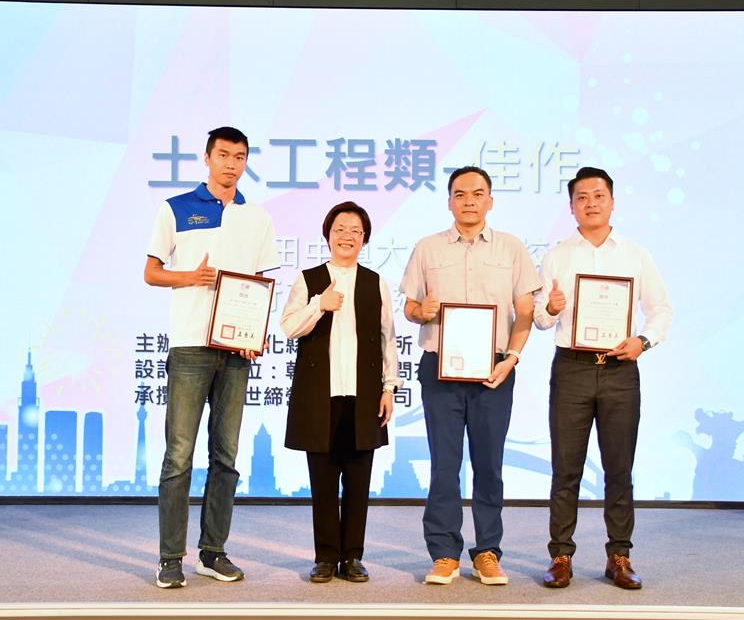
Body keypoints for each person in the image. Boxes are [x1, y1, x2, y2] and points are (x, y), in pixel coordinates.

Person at [144, 126, 279, 589]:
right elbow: (151, 272)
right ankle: (169, 558)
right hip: (189, 345)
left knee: (226, 456)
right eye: (223, 155)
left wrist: (254, 333)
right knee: (179, 455)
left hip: (235, 350)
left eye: (239, 157)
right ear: (207, 158)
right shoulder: (176, 208)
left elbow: (258, 284)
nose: (231, 164)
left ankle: (213, 551)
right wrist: (190, 277)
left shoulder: (257, 217)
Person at [400, 166, 541, 586]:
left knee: (489, 464)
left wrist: (511, 358)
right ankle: (444, 553)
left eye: (477, 194)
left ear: (490, 201)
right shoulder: (427, 248)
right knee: (444, 465)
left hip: (493, 368)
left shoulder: (512, 248)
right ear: (449, 201)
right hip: (440, 368)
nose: (469, 201)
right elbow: (410, 307)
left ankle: (488, 552)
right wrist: (421, 311)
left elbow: (525, 311)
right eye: (460, 194)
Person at [533, 166, 673, 590]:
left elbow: (661, 309)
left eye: (598, 196)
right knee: (566, 468)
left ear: (612, 202)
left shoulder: (635, 255)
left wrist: (643, 341)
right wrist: (551, 308)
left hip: (620, 369)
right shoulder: (557, 255)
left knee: (619, 468)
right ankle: (561, 556)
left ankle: (619, 556)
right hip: (572, 368)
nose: (590, 203)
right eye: (582, 197)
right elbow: (540, 318)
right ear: (571, 206)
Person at [281, 201, 401, 583]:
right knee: (323, 482)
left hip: (363, 397)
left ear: (364, 238)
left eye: (355, 231)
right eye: (340, 229)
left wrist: (389, 387)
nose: (347, 236)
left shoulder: (375, 282)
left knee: (358, 483)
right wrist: (320, 304)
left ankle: (352, 557)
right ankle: (325, 557)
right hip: (321, 396)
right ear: (328, 235)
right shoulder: (309, 280)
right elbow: (289, 327)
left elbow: (388, 338)